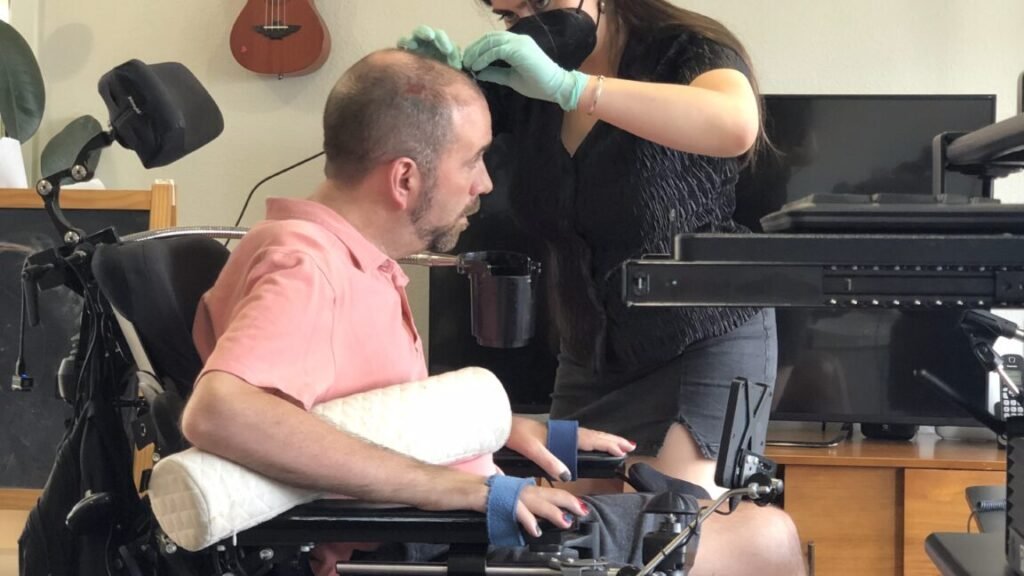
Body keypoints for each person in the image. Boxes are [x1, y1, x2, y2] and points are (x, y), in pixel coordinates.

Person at [181, 49, 805, 575]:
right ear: (404, 179)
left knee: (654, 493)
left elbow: (368, 412)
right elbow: (222, 411)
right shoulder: (306, 268)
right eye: (472, 160)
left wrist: (508, 431)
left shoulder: (342, 255)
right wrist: (457, 488)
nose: (484, 184)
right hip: (433, 541)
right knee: (763, 540)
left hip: (456, 522)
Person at [398, 0, 779, 499]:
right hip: (591, 353)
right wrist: (431, 88)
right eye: (511, 15)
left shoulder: (686, 52)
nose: (530, 22)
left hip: (707, 335)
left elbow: (735, 126)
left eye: (541, 2)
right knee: (576, 542)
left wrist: (574, 89)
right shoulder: (518, 81)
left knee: (672, 531)